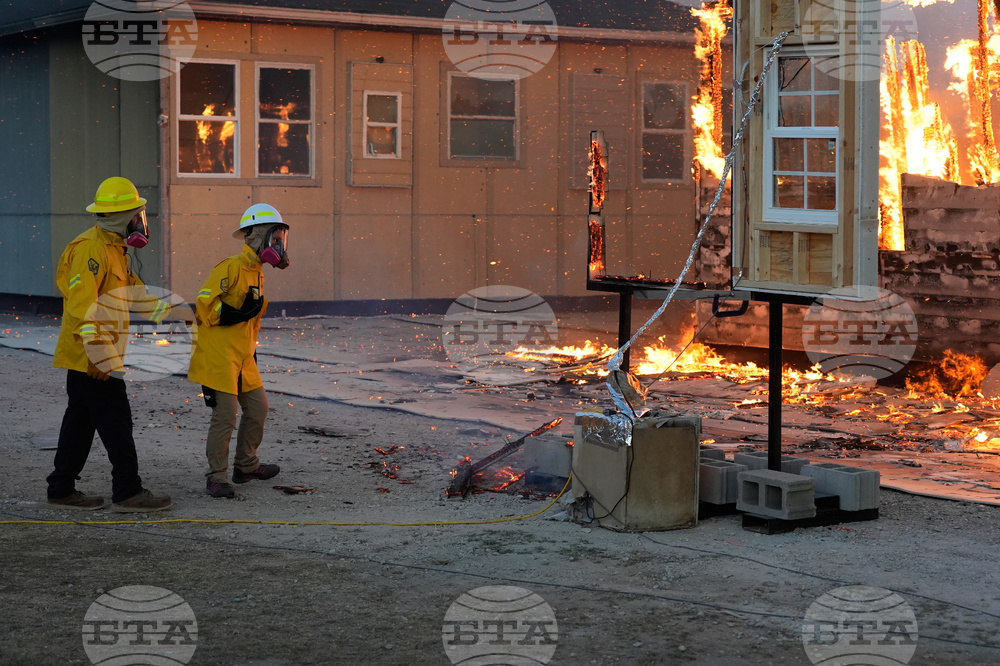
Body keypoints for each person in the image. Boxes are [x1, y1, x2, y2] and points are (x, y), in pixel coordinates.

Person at [47, 177, 174, 512]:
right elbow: (80, 308)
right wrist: (98, 354)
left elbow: (135, 294)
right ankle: (128, 491)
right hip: (94, 355)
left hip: (96, 355)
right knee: (117, 420)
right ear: (123, 217)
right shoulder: (91, 250)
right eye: (137, 215)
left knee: (80, 421)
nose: (141, 222)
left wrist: (182, 313)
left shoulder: (114, 250)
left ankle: (61, 488)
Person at [188, 203, 290, 498]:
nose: (279, 243)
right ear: (257, 236)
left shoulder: (257, 272)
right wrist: (231, 314)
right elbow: (204, 304)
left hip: (242, 356)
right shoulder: (230, 267)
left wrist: (251, 348)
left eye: (280, 237)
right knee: (226, 416)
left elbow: (252, 318)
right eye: (274, 236)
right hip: (218, 354)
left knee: (259, 409)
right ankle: (216, 477)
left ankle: (246, 465)